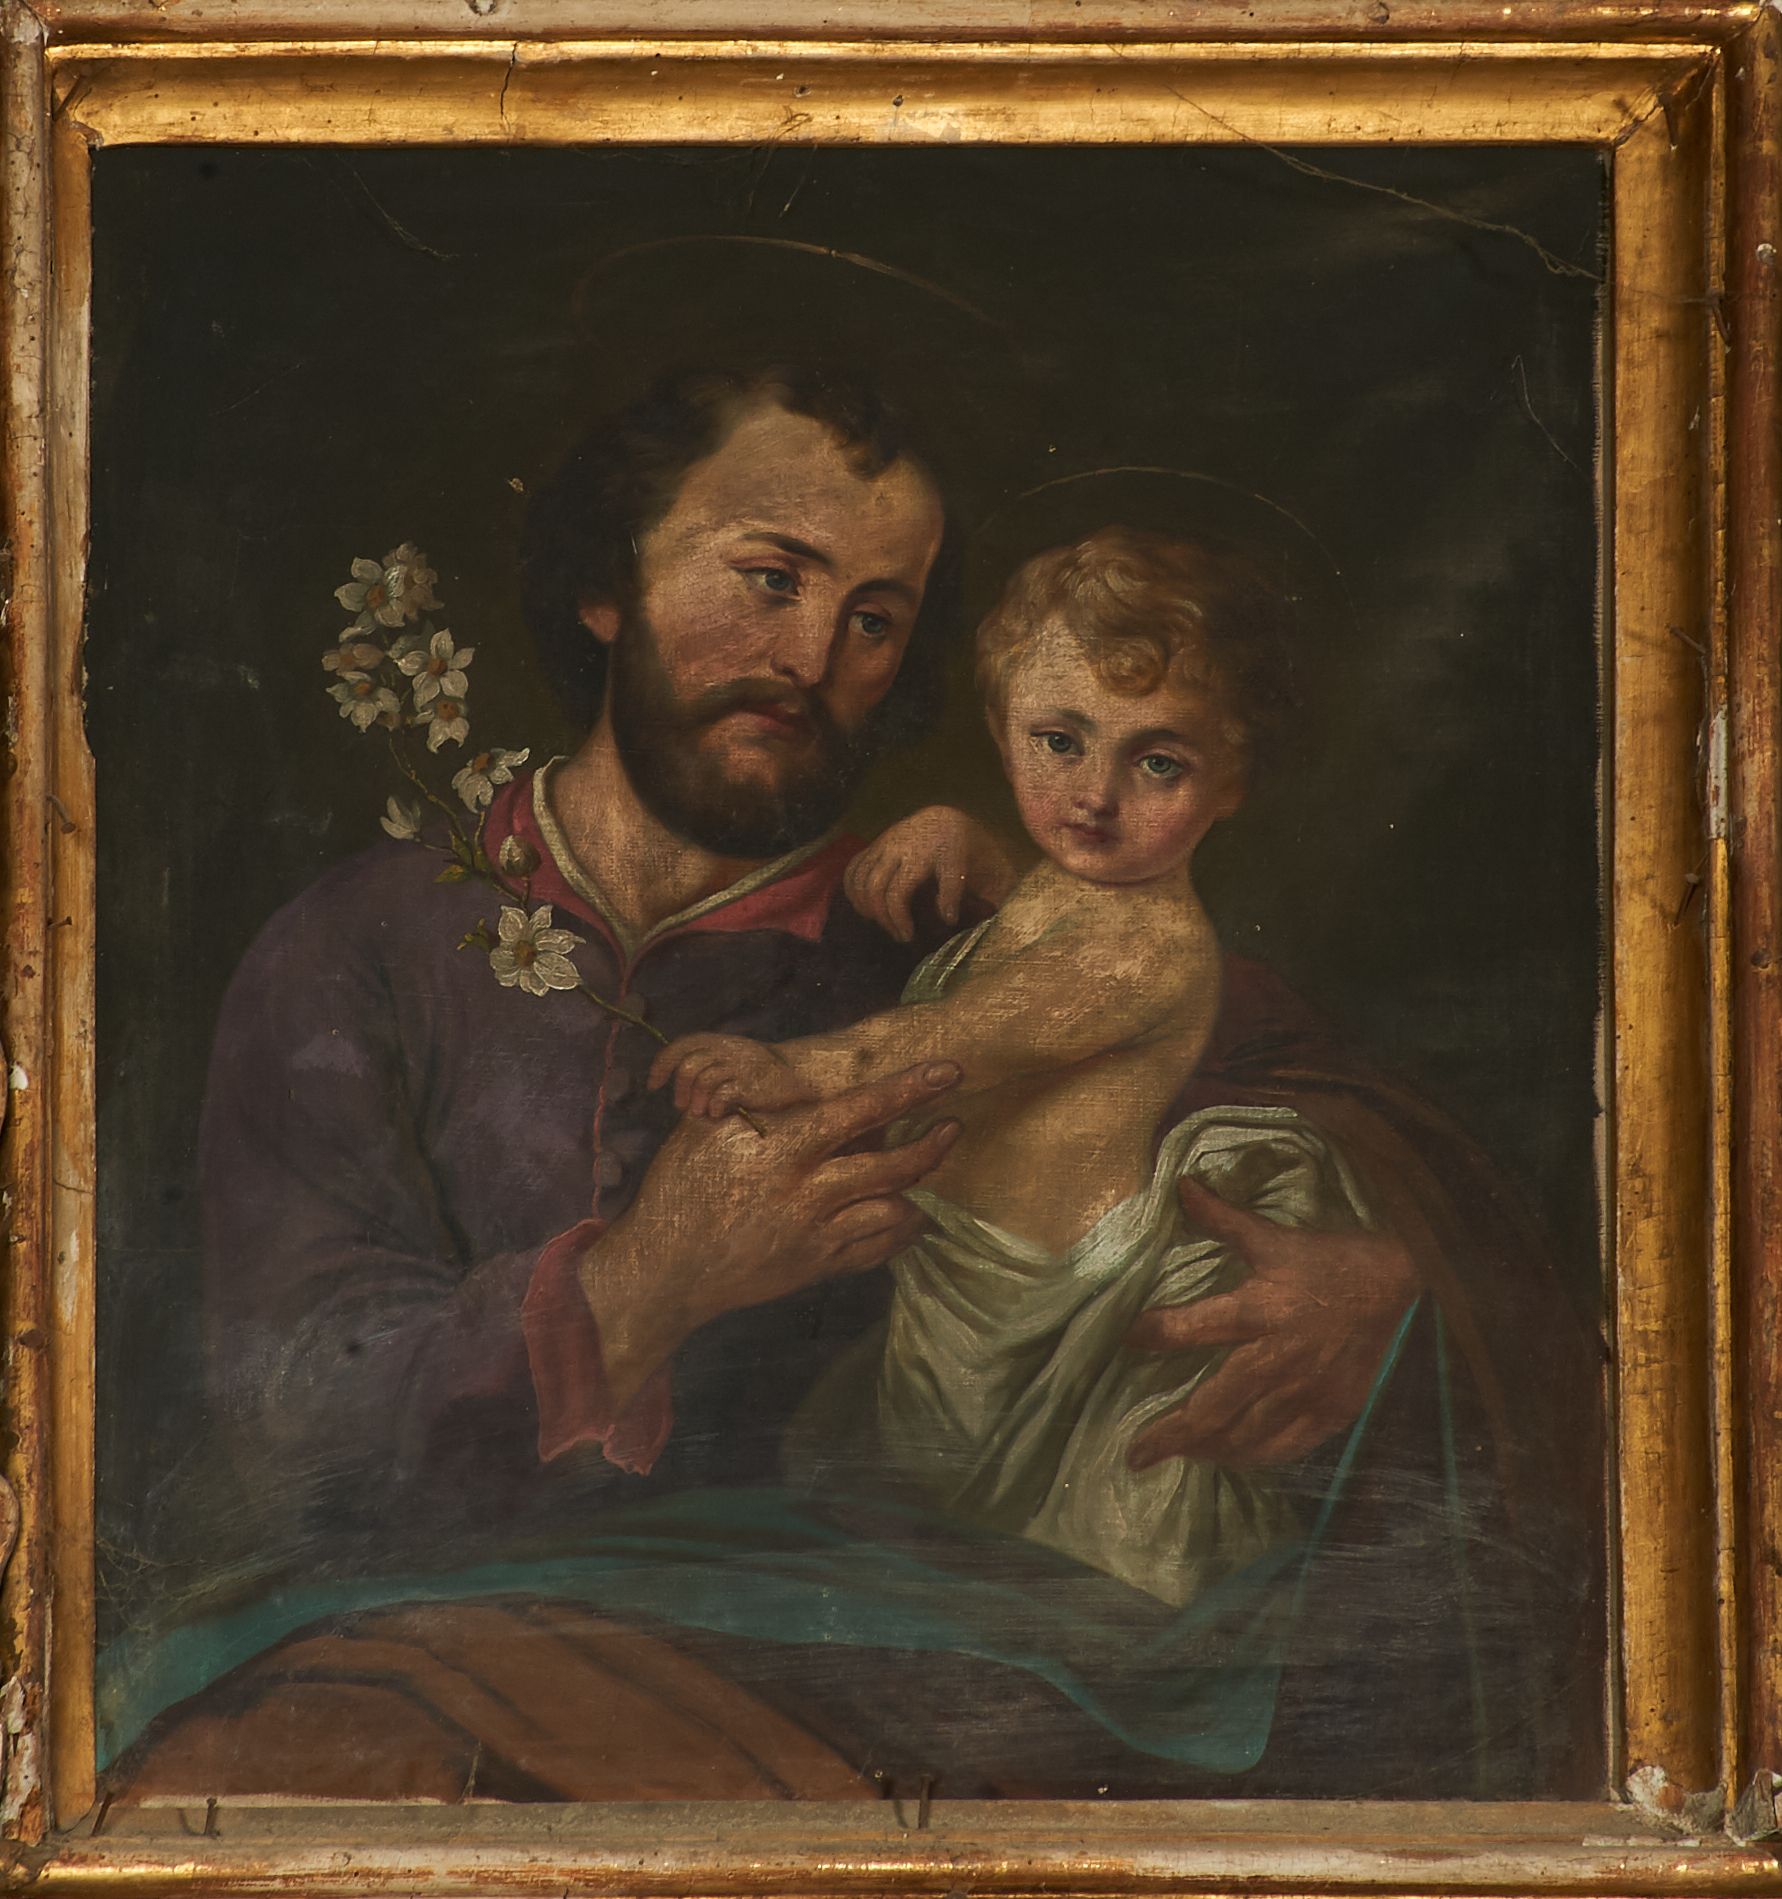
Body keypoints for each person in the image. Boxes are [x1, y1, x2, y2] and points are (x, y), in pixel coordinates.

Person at [105, 359, 1599, 1803]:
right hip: (455, 1618)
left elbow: (1336, 1115)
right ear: (606, 582)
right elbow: (286, 1430)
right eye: (771, 578)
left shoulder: (946, 913)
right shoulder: (356, 950)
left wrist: (1383, 1280)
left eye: (874, 617)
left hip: (911, 1668)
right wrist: (641, 1284)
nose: (815, 658)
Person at [653, 525, 1379, 1612]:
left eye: (1159, 762)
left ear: (1231, 784)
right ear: (1002, 730)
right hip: (968, 1313)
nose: (1094, 795)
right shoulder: (1080, 888)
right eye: (1059, 740)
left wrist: (786, 1069)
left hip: (1058, 1333)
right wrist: (970, 838)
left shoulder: (1143, 947)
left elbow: (948, 1042)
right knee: (937, 1557)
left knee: (1059, 1595)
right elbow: (1044, 913)